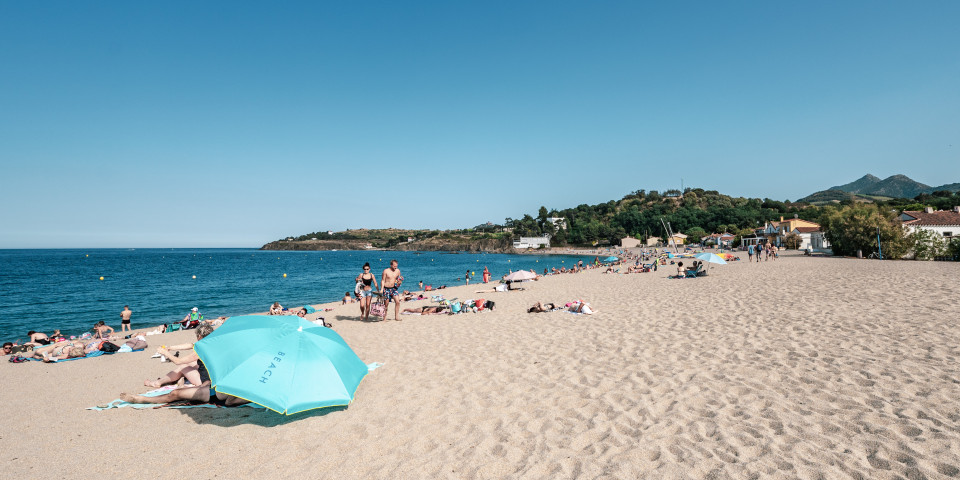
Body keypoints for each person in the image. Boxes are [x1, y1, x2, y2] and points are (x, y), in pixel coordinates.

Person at [120, 323, 248, 408]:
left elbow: (179, 361)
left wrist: (165, 353)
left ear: (199, 336)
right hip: (212, 386)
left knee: (175, 393)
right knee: (180, 387)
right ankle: (173, 386)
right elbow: (190, 345)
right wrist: (171, 347)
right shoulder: (214, 346)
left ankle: (142, 399)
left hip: (212, 391)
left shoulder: (204, 349)